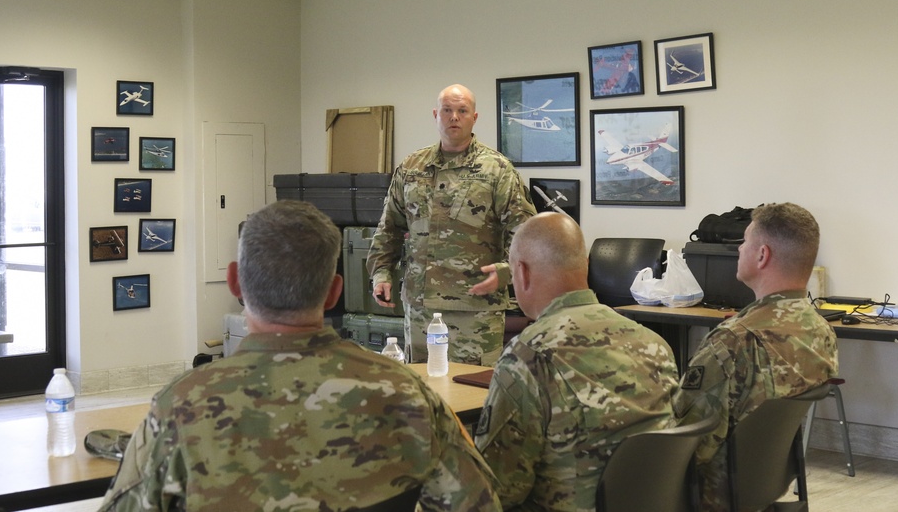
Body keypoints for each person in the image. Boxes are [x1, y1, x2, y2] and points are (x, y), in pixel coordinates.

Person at [99, 201, 501, 511]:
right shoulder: (408, 395)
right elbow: (478, 502)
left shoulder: (180, 406)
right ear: (334, 292)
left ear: (235, 281)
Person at [474, 212, 680, 511]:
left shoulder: (529, 356)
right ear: (584, 266)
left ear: (521, 273)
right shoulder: (654, 343)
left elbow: (495, 491)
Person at [673, 202, 838, 512]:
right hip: (764, 487)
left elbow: (682, 442)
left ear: (762, 255)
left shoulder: (734, 341)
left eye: (744, 242)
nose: (739, 250)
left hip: (710, 496)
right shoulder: (820, 331)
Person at [367, 83, 536, 366]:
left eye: (462, 110)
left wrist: (507, 272)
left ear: (474, 117)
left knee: (473, 393)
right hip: (421, 305)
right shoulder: (412, 166)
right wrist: (381, 273)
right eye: (447, 110)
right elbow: (389, 227)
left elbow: (525, 230)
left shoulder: (496, 169)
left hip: (475, 306)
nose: (454, 117)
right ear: (436, 115)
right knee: (423, 390)